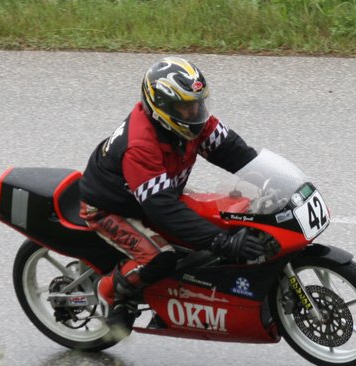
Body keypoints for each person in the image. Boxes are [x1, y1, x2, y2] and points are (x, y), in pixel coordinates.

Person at [79, 56, 265, 318]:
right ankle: (110, 291)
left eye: (198, 104)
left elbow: (233, 151)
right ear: (162, 107)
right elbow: (164, 210)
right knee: (161, 258)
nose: (195, 113)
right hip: (109, 209)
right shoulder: (140, 147)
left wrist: (267, 179)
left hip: (159, 192)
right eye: (186, 107)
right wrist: (222, 242)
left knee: (231, 214)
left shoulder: (193, 123)